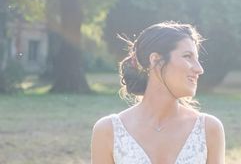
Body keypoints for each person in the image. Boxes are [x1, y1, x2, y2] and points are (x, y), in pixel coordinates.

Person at [91, 21, 225, 164]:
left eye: (196, 59)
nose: (199, 69)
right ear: (156, 60)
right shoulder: (108, 131)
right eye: (187, 56)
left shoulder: (208, 129)